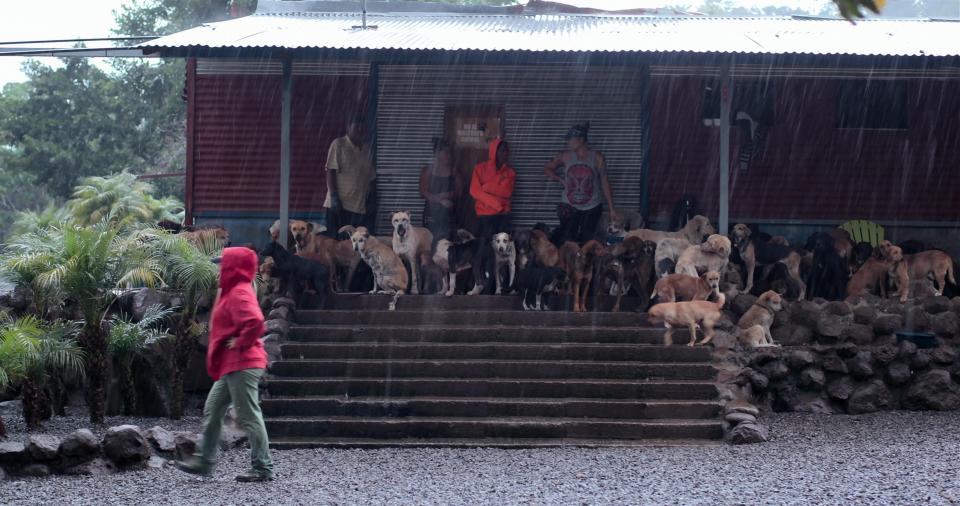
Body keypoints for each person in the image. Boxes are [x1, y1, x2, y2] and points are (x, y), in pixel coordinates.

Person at [176, 247, 274, 482]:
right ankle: (204, 461)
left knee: (249, 415)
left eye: (224, 264)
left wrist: (240, 341)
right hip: (234, 364)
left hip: (243, 363)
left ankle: (262, 468)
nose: (220, 268)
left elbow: (256, 322)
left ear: (234, 267)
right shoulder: (232, 290)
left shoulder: (239, 291)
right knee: (213, 408)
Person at [543, 122, 619, 244]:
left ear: (581, 140)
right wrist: (560, 179)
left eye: (570, 139)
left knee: (588, 239)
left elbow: (605, 183)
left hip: (592, 205)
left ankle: (585, 261)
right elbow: (547, 168)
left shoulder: (597, 158)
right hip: (570, 205)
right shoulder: (565, 156)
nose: (568, 142)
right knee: (567, 238)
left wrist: (612, 209)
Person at [469, 138, 515, 294]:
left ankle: (503, 286)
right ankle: (483, 284)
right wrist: (496, 204)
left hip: (502, 219)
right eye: (503, 151)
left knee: (504, 252)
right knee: (484, 251)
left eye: (507, 151)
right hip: (484, 218)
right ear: (494, 152)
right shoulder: (480, 169)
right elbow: (474, 191)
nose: (506, 154)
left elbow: (506, 192)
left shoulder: (510, 172)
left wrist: (486, 187)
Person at [324, 116, 376, 236]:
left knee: (355, 245)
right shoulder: (338, 144)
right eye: (356, 128)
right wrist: (333, 196)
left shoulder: (366, 149)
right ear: (348, 128)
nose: (359, 131)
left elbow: (372, 178)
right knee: (335, 244)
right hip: (340, 206)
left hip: (359, 208)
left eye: (362, 128)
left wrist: (372, 200)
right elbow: (330, 171)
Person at [420, 138, 463, 246]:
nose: (449, 156)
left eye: (450, 152)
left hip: (449, 214)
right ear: (437, 154)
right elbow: (423, 192)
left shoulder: (454, 171)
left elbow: (460, 191)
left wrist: (446, 195)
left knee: (448, 244)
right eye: (446, 152)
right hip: (432, 213)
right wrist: (440, 200)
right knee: (430, 243)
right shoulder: (427, 171)